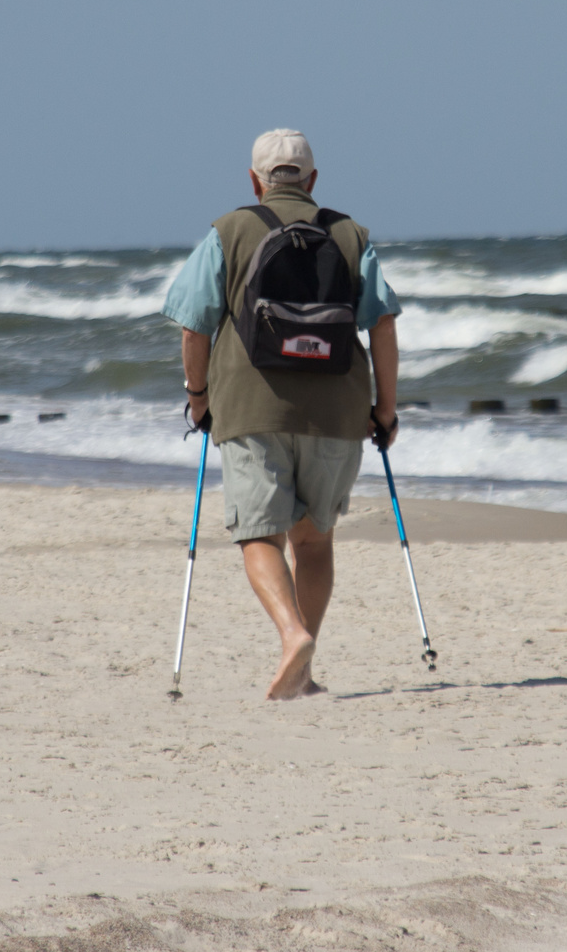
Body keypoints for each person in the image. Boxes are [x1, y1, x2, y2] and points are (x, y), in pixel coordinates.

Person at [161, 128, 402, 700]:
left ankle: (293, 636)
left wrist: (199, 398)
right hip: (338, 409)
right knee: (314, 540)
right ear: (313, 181)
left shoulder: (229, 230)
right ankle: (304, 665)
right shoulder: (350, 233)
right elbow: (383, 324)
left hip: (251, 405)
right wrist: (384, 411)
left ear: (255, 180)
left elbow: (193, 323)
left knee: (259, 535)